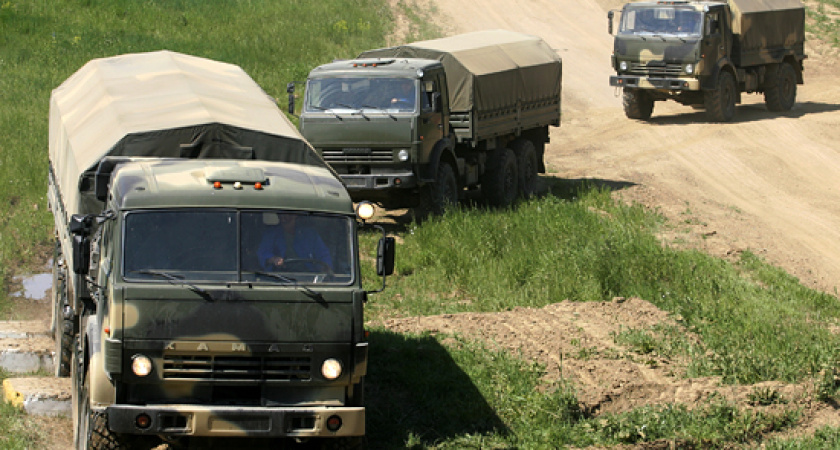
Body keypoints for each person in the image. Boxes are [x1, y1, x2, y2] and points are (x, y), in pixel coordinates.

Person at [257, 213, 332, 272]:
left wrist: (325, 268)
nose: (284, 216)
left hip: (308, 279)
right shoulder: (271, 233)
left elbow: (323, 254)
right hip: (278, 278)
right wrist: (273, 259)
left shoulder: (310, 234)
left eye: (288, 213)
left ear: (295, 215)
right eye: (281, 213)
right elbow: (263, 253)